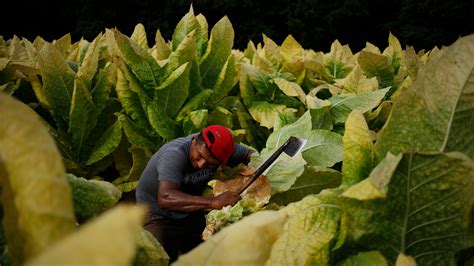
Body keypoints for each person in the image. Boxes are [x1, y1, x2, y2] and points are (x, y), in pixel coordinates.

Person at [135, 124, 255, 262]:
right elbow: (165, 198)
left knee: (205, 254)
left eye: (210, 163)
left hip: (190, 209)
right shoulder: (173, 154)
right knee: (160, 259)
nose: (201, 164)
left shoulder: (223, 149)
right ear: (195, 140)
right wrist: (213, 202)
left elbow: (250, 155)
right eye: (199, 156)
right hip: (155, 212)